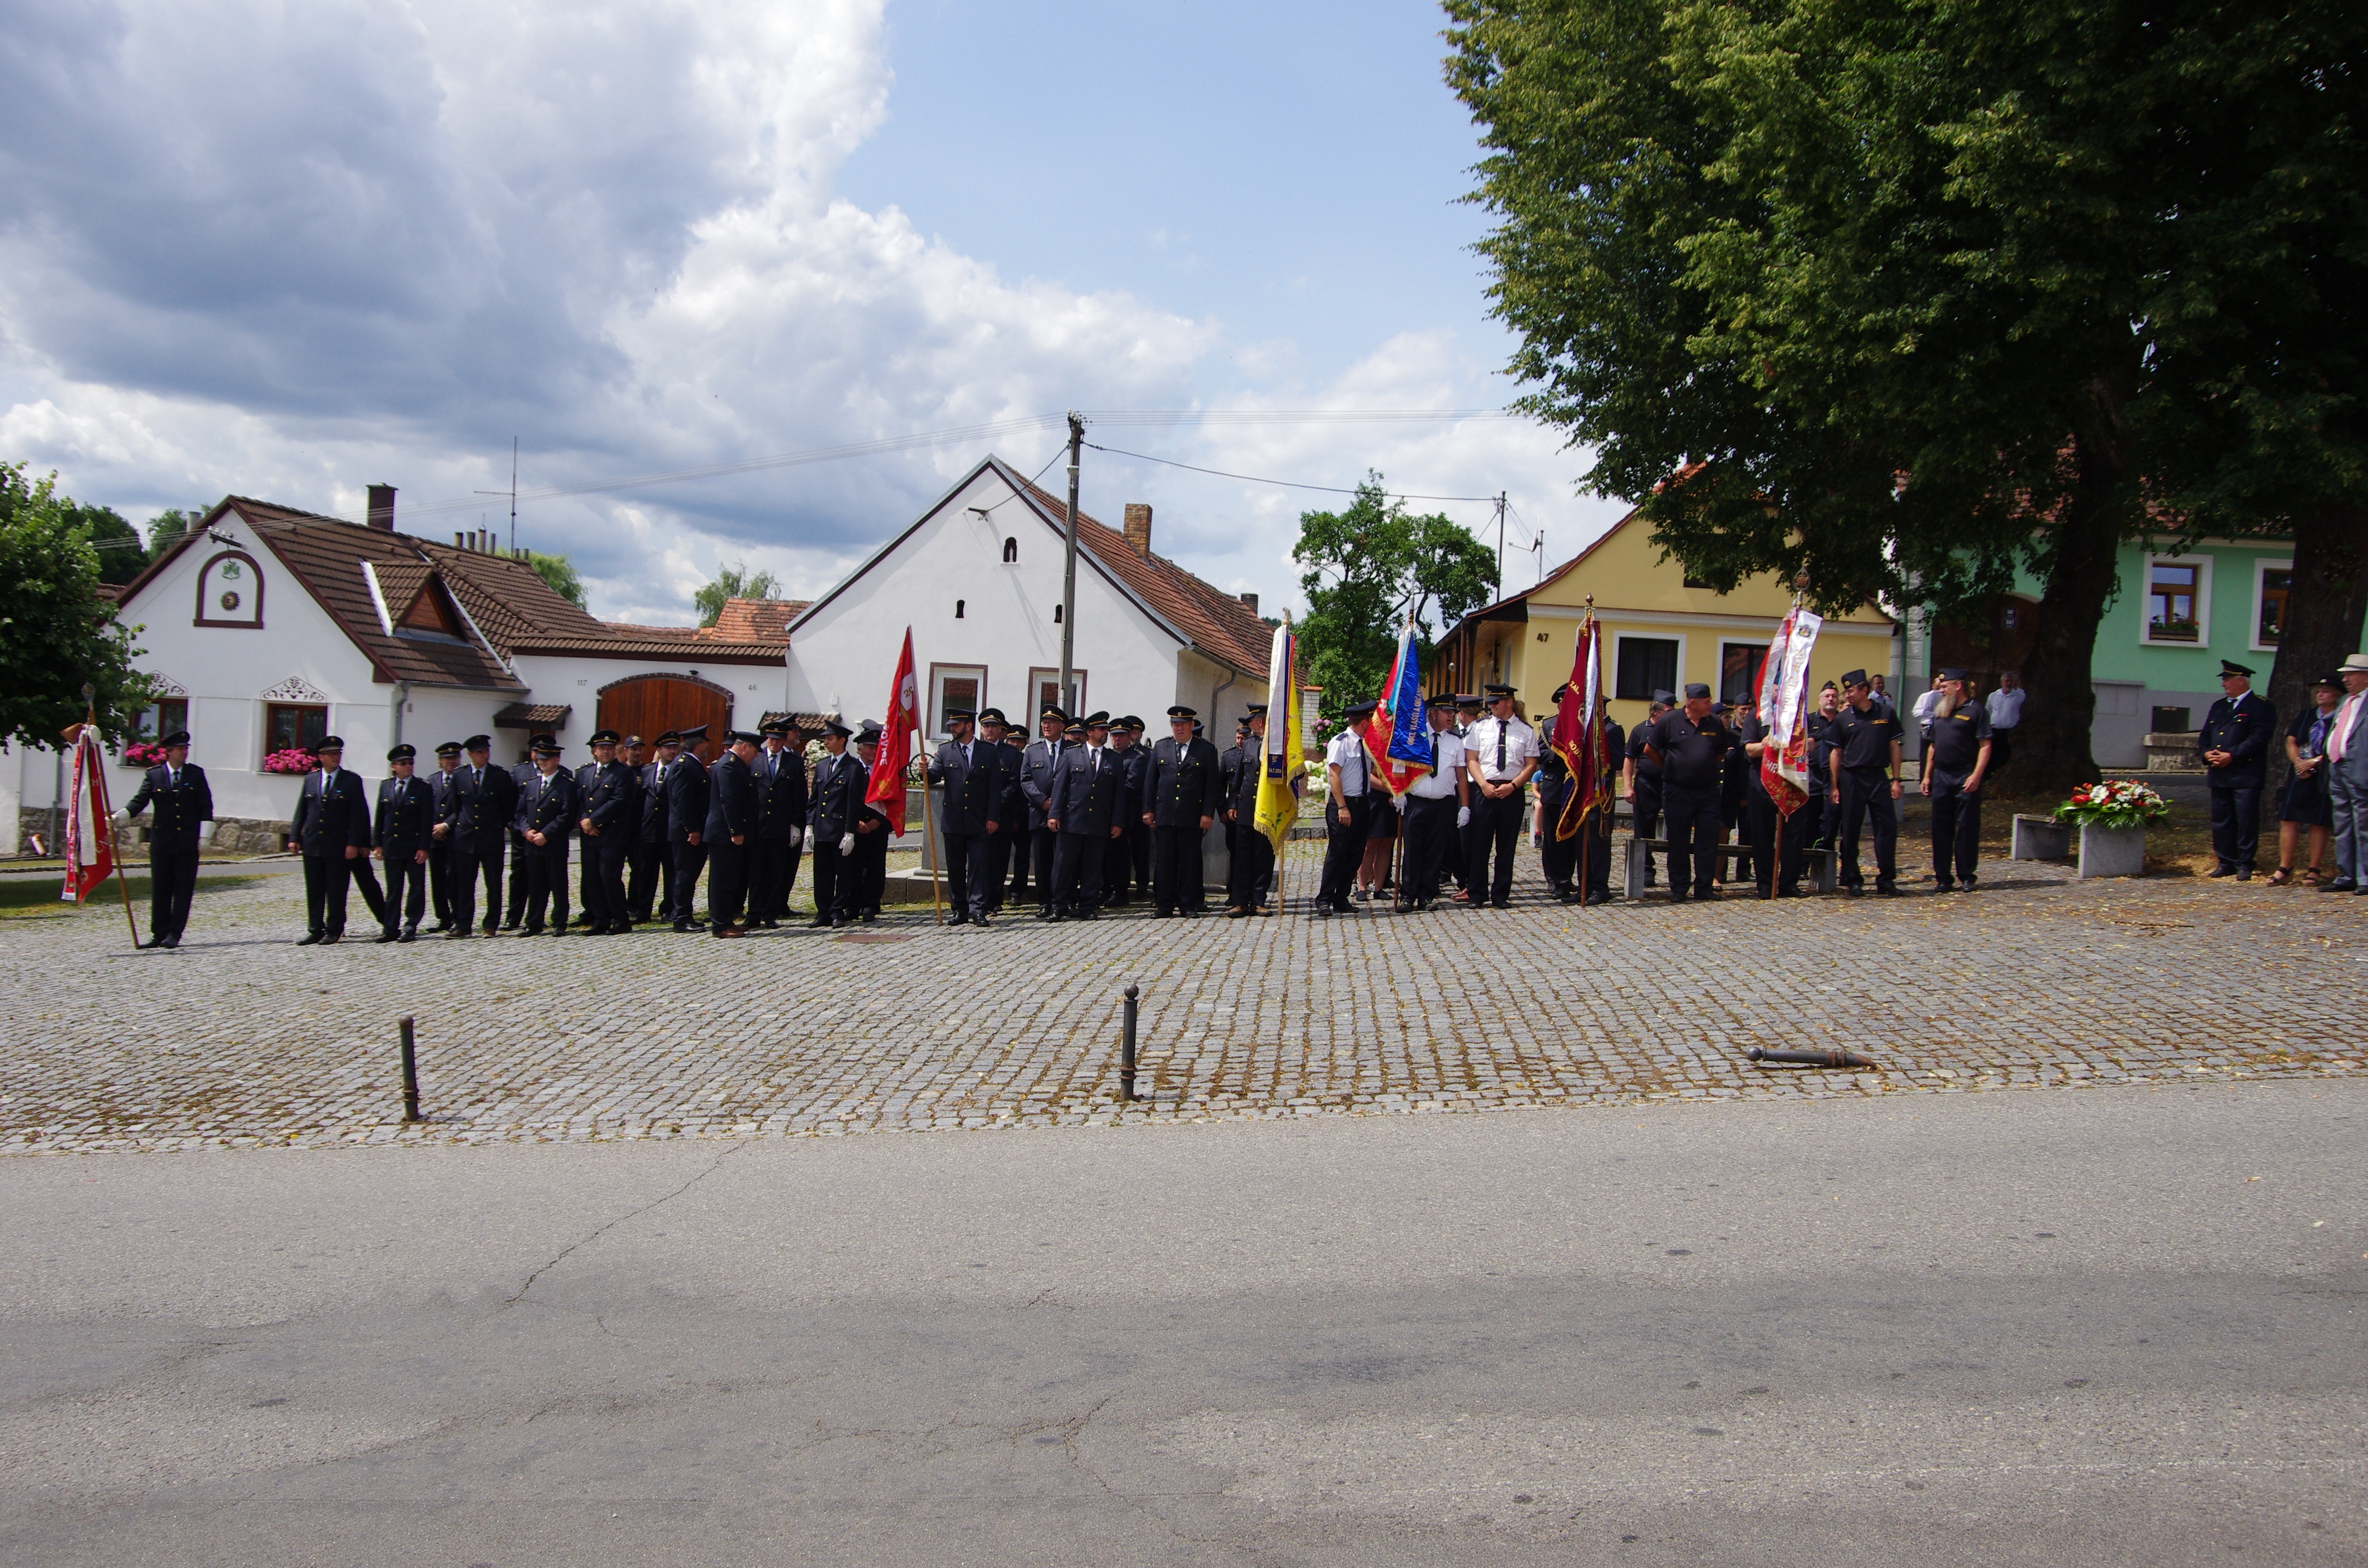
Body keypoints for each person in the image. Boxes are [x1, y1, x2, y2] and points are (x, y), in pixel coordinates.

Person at [1639, 685, 1734, 902]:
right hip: (1677, 791)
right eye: (1706, 702)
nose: (1711, 705)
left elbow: (1720, 753)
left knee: (1707, 840)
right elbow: (1649, 749)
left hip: (1708, 792)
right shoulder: (1669, 721)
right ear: (1692, 703)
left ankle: (1704, 887)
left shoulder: (1715, 723)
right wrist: (1670, 769)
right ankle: (1679, 887)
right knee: (1678, 840)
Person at [123, 727, 212, 949]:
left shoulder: (195, 774)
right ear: (169, 752)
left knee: (183, 889)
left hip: (187, 841)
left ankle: (174, 933)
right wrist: (119, 816)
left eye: (186, 749)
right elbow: (140, 800)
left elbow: (205, 806)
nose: (184, 752)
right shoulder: (154, 775)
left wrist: (205, 836)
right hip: (162, 841)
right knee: (160, 888)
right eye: (181, 749)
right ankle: (159, 933)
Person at [288, 736, 373, 944]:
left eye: (338, 754)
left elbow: (358, 815)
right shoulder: (310, 779)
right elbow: (302, 811)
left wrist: (354, 843)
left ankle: (335, 929)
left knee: (336, 889)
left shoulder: (351, 781)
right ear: (321, 757)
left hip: (338, 845)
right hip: (313, 844)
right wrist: (294, 837)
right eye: (332, 754)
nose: (336, 758)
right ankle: (315, 928)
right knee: (315, 888)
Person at [1827, 671, 1905, 895]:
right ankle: (1853, 878)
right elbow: (1836, 753)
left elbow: (1894, 747)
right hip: (1852, 778)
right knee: (1851, 830)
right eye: (1846, 691)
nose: (1847, 695)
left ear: (1865, 690)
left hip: (1878, 777)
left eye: (1851, 691)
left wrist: (1896, 779)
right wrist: (1834, 786)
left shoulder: (1887, 713)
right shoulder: (1843, 719)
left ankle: (1887, 879)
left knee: (1887, 828)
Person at [2199, 659, 2276, 881]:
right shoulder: (2219, 706)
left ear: (2240, 680)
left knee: (2246, 819)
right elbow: (2206, 735)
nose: (2224, 684)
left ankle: (2245, 862)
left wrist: (2232, 756)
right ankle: (2226, 861)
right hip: (2219, 772)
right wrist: (2206, 753)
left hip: (2245, 773)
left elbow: (2259, 739)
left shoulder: (2261, 706)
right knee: (2222, 820)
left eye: (2227, 679)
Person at [1462, 685, 1538, 908]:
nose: (1492, 706)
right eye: (1491, 702)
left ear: (1509, 702)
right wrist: (1483, 784)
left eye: (1496, 702)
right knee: (1479, 846)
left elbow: (1531, 764)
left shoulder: (1525, 731)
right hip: (1484, 791)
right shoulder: (1479, 728)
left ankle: (1501, 895)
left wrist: (1514, 786)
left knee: (1507, 847)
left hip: (1511, 793)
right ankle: (1477, 893)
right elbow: (1471, 759)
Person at [1144, 704, 1223, 917]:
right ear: (1172, 726)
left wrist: (1207, 814)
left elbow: (1212, 787)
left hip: (1192, 816)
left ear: (1192, 726)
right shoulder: (1160, 748)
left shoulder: (1206, 750)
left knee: (1189, 862)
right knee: (1166, 861)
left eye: (1184, 725)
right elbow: (1151, 782)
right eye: (1176, 725)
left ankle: (1188, 905)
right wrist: (1148, 810)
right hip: (1165, 815)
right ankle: (1165, 905)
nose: (1180, 729)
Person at [1919, 668, 1993, 892]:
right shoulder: (1942, 711)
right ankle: (1943, 877)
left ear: (1958, 686)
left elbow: (1986, 746)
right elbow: (1933, 746)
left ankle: (1967, 875)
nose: (1940, 689)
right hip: (1942, 775)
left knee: (1967, 826)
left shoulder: (1976, 711)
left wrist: (1976, 776)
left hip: (1965, 774)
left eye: (1945, 686)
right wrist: (1927, 775)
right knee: (1941, 827)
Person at [1046, 713, 1123, 919]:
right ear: (1089, 732)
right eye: (1101, 730)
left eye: (1107, 730)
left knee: (1093, 867)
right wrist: (1054, 815)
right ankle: (1060, 905)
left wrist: (1117, 822)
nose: (1106, 733)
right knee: (1063, 866)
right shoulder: (1071, 755)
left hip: (1099, 821)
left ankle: (1087, 906)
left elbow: (1119, 795)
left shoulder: (1114, 759)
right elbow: (1059, 788)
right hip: (1072, 820)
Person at [928, 706, 1001, 925]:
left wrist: (993, 817)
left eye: (956, 725)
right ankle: (959, 909)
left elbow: (995, 788)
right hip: (954, 820)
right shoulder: (945, 751)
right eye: (950, 725)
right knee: (956, 867)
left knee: (979, 867)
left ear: (969, 726)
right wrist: (923, 770)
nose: (952, 729)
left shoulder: (988, 752)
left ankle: (977, 909)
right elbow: (934, 775)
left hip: (979, 820)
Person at [1397, 694, 1469, 912]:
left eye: (1454, 713)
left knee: (1435, 851)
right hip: (1416, 802)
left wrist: (1465, 806)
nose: (1452, 717)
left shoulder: (1455, 742)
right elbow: (1400, 767)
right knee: (1413, 850)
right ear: (1433, 714)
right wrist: (1398, 793)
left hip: (1442, 803)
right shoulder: (1415, 739)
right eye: (1447, 712)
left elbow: (1461, 776)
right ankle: (1408, 895)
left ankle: (1427, 895)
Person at [2271, 674, 2343, 886]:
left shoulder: (2340, 717)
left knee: (2318, 822)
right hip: (2300, 773)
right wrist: (2298, 762)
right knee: (2288, 820)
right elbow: (2291, 739)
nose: (2320, 694)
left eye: (2326, 691)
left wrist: (2314, 762)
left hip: (2323, 773)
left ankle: (2314, 870)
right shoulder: (2307, 715)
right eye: (2318, 692)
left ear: (2337, 695)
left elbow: (2337, 743)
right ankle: (2285, 867)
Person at [443, 734, 516, 937]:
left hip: (490, 837)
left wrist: (498, 826)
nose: (485, 755)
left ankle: (491, 924)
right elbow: (455, 807)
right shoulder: (460, 776)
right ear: (470, 755)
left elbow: (507, 807)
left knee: (493, 883)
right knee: (464, 883)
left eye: (486, 751)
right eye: (480, 752)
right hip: (465, 838)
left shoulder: (499, 776)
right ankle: (463, 923)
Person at [1315, 700, 1380, 914]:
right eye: (1371, 721)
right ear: (1364, 722)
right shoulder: (1341, 742)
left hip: (1362, 804)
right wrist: (1342, 807)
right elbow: (1334, 774)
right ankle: (1324, 899)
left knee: (1355, 854)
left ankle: (1341, 898)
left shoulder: (1365, 744)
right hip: (1344, 804)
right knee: (1338, 853)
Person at [577, 728, 640, 933]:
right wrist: (584, 822)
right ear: (594, 751)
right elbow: (578, 801)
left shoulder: (624, 773)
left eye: (610, 748)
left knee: (609, 877)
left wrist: (594, 821)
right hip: (589, 836)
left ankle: (621, 919)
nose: (606, 752)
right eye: (602, 748)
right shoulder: (584, 773)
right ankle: (600, 919)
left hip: (612, 834)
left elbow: (619, 801)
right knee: (592, 878)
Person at [370, 743, 434, 941]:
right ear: (394, 767)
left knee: (416, 888)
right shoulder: (386, 786)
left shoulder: (422, 788)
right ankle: (390, 927)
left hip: (413, 846)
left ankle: (411, 924)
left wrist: (425, 847)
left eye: (411, 763)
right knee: (393, 888)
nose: (408, 766)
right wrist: (377, 844)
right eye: (403, 763)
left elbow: (426, 821)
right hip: (392, 846)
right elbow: (380, 816)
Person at [512, 737, 576, 934]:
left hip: (553, 843)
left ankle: (559, 922)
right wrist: (526, 830)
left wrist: (546, 835)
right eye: (540, 759)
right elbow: (520, 812)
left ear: (557, 760)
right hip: (532, 844)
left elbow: (567, 816)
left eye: (547, 759)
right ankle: (534, 922)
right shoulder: (531, 784)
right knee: (535, 885)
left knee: (558, 884)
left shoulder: (566, 785)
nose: (543, 762)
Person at [702, 729, 760, 936]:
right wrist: (736, 831)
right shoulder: (728, 765)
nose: (756, 756)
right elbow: (729, 802)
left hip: (731, 834)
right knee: (722, 881)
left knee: (731, 879)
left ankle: (726, 920)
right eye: (754, 751)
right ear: (744, 746)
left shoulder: (736, 764)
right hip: (724, 834)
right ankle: (720, 924)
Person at [752, 718, 808, 927]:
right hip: (758, 825)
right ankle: (754, 913)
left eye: (778, 739)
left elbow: (798, 796)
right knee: (757, 873)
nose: (773, 743)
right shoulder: (756, 760)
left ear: (785, 740)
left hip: (780, 825)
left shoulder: (793, 762)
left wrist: (795, 824)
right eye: (770, 739)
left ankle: (770, 914)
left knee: (776, 872)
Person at [807, 718, 863, 926]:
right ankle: (822, 911)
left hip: (840, 829)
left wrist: (850, 831)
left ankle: (837, 911)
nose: (826, 743)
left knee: (842, 873)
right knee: (822, 873)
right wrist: (810, 824)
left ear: (842, 740)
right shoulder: (822, 766)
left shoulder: (853, 768)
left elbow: (854, 802)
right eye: (826, 739)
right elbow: (815, 799)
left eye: (830, 739)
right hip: (822, 829)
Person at [1224, 707, 1279, 917]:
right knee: (1242, 857)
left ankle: (1259, 901)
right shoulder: (1248, 744)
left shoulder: (1276, 745)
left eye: (1252, 721)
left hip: (1266, 808)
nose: (1249, 725)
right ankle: (1240, 902)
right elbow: (1239, 778)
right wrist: (1233, 804)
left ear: (1260, 722)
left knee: (1262, 857)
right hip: (1246, 808)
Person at [1019, 706, 1068, 917]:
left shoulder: (1074, 749)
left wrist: (1058, 804)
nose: (1046, 726)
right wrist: (1043, 801)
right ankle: (1044, 902)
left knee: (1064, 860)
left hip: (1066, 814)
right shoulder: (1032, 751)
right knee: (1042, 861)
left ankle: (1062, 901)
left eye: (1051, 722)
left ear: (1062, 727)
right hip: (1039, 814)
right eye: (1044, 722)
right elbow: (1026, 780)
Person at [2325, 653, 2368, 893]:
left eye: (2351, 674)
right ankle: (2346, 875)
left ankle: (2365, 877)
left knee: (2363, 824)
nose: (2346, 679)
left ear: (2366, 676)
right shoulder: (2345, 701)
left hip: (2361, 768)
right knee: (2342, 823)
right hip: (2337, 767)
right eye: (2345, 675)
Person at [841, 721, 892, 922]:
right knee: (853, 868)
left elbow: (891, 799)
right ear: (860, 749)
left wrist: (877, 822)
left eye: (877, 748)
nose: (874, 751)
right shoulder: (852, 768)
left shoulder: (884, 771)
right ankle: (852, 905)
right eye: (870, 748)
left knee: (875, 867)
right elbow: (845, 800)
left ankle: (871, 905)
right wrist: (854, 824)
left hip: (876, 827)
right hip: (855, 827)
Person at [663, 725, 712, 931]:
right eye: (706, 743)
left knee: (688, 875)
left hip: (692, 830)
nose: (708, 747)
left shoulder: (692, 764)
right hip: (687, 833)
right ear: (699, 745)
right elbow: (683, 801)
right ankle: (681, 917)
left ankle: (684, 913)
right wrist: (692, 829)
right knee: (684, 875)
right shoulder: (684, 765)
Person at [1622, 692, 1671, 888]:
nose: (1672, 714)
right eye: (1668, 711)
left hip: (1670, 784)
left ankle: (1675, 871)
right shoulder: (1640, 730)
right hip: (1647, 785)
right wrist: (1628, 786)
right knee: (1644, 829)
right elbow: (1629, 759)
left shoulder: (1674, 728)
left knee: (1676, 827)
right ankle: (1646, 870)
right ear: (1656, 712)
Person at [1109, 716, 1153, 906]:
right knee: (1112, 855)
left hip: (1130, 813)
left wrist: (1104, 791)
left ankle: (1130, 889)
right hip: (1107, 813)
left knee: (1134, 852)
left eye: (1121, 736)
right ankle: (1110, 889)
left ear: (1130, 737)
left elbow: (1132, 786)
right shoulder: (1108, 756)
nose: (1117, 740)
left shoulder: (1138, 758)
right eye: (1114, 736)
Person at [628, 734, 670, 924]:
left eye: (674, 748)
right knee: (645, 874)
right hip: (647, 832)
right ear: (658, 751)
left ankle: (669, 909)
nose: (672, 751)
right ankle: (643, 910)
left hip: (669, 831)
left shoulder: (678, 770)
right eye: (667, 748)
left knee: (671, 874)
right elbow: (637, 803)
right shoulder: (647, 771)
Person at [424, 740, 463, 931]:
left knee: (454, 878)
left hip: (455, 835)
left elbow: (464, 807)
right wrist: (433, 828)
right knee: (437, 880)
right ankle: (443, 918)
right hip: (434, 838)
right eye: (447, 759)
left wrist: (447, 825)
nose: (451, 762)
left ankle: (457, 916)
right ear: (440, 761)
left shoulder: (464, 779)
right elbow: (425, 808)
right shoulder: (430, 781)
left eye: (454, 758)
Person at [1986, 672, 2025, 772]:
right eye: (2007, 681)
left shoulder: (2020, 696)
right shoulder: (1994, 696)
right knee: (1993, 754)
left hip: (2010, 731)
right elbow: (1988, 711)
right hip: (1995, 730)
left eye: (2011, 681)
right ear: (2002, 682)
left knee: (2006, 754)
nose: (2009, 684)